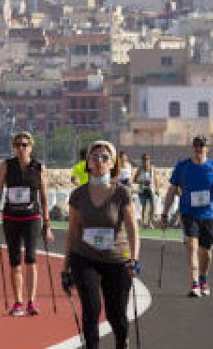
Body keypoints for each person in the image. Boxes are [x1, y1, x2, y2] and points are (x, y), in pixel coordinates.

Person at [61, 140, 140, 349]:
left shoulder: (121, 192)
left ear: (112, 163)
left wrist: (135, 259)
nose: (99, 161)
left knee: (116, 314)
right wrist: (65, 268)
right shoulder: (78, 195)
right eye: (94, 157)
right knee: (91, 308)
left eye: (105, 157)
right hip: (85, 257)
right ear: (87, 162)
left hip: (117, 259)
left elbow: (132, 229)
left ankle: (122, 342)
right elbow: (72, 232)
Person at [159, 135, 213, 297]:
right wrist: (164, 213)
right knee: (192, 246)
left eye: (201, 145)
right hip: (188, 213)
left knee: (206, 251)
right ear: (192, 147)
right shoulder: (182, 166)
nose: (198, 148)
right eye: (196, 145)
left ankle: (203, 278)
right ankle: (194, 283)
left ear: (207, 148)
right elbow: (172, 190)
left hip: (208, 214)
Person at [0, 131, 53, 316]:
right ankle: (18, 301)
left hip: (32, 217)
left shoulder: (39, 167)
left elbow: (44, 196)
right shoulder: (6, 165)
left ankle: (31, 301)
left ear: (31, 147)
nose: (20, 148)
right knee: (14, 260)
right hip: (11, 217)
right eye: (17, 145)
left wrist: (47, 223)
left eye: (24, 145)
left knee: (31, 259)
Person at [133, 154, 158, 228]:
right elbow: (134, 179)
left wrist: (157, 189)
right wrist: (142, 181)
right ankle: (143, 223)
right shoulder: (140, 169)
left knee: (153, 205)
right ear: (142, 160)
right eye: (144, 159)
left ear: (149, 160)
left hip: (151, 188)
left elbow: (156, 179)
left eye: (147, 159)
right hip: (143, 189)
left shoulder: (152, 168)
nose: (145, 161)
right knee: (144, 205)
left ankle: (150, 222)